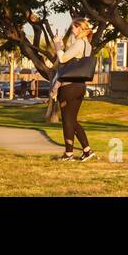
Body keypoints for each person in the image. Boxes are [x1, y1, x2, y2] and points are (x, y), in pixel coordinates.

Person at [53, 18, 95, 162]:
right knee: (72, 120)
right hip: (81, 86)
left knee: (67, 120)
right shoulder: (88, 45)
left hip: (69, 86)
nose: (72, 29)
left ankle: (69, 154)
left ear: (80, 28)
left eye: (74, 27)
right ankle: (87, 151)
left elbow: (63, 59)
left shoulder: (79, 43)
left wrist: (58, 46)